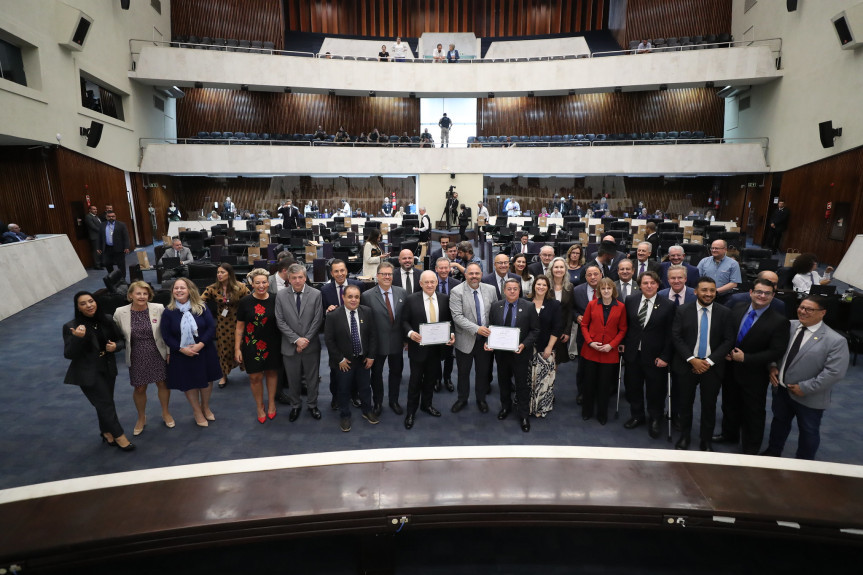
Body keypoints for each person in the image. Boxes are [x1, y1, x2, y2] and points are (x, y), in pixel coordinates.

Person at [762, 295, 850, 460]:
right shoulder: (788, 326)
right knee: (779, 423)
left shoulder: (835, 341)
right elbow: (774, 348)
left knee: (808, 431)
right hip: (781, 390)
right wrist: (772, 365)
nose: (803, 311)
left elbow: (834, 372)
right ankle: (772, 454)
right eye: (801, 307)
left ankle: (805, 464)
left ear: (822, 313)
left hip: (809, 396)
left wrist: (805, 388)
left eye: (809, 309)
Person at [714, 278, 791, 454]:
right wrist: (724, 351)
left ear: (773, 296)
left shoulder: (779, 321)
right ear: (751, 293)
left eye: (767, 293)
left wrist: (746, 358)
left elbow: (776, 352)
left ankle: (751, 446)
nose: (762, 296)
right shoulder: (737, 309)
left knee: (753, 411)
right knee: (729, 404)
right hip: (730, 369)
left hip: (754, 374)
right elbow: (728, 335)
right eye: (758, 292)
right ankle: (729, 434)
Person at [671, 276, 736, 451]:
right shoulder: (683, 310)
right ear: (696, 292)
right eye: (704, 290)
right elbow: (676, 337)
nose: (708, 294)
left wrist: (708, 361)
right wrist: (692, 360)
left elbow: (729, 340)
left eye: (712, 290)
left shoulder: (725, 312)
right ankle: (684, 436)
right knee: (685, 404)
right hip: (687, 365)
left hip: (712, 367)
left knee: (709, 405)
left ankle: (705, 439)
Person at [64, 291, 134, 451]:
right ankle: (119, 436)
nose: (89, 305)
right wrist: (78, 339)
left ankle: (106, 431)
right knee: (106, 404)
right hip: (87, 371)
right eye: (83, 304)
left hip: (107, 367)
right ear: (78, 308)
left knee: (105, 402)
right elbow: (69, 354)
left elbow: (121, 340)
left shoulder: (107, 320)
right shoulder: (71, 327)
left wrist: (116, 347)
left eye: (91, 301)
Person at [113, 281, 173, 436]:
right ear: (130, 295)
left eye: (145, 293)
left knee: (162, 383)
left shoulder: (158, 308)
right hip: (136, 353)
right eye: (138, 293)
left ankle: (165, 413)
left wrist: (169, 352)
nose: (142, 296)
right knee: (140, 387)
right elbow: (115, 335)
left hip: (157, 351)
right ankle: (141, 417)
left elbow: (166, 332)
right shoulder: (120, 312)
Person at [161, 278, 222, 428]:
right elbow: (166, 335)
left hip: (204, 350)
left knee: (207, 380)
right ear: (172, 291)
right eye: (176, 288)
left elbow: (211, 328)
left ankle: (205, 407)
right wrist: (182, 349)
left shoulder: (201, 307)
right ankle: (197, 411)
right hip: (182, 354)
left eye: (182, 288)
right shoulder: (169, 312)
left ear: (190, 290)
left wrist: (200, 345)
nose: (179, 291)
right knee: (190, 383)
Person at [621, 271, 676, 438]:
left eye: (652, 283)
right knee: (633, 387)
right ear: (640, 285)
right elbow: (626, 325)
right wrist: (623, 344)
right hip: (632, 354)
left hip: (655, 357)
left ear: (658, 284)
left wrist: (666, 357)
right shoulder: (631, 300)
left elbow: (671, 334)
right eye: (645, 283)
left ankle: (655, 418)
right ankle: (637, 415)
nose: (649, 286)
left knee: (655, 390)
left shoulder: (668, 305)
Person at [402, 271, 454, 429]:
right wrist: (411, 334)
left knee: (431, 380)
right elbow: (403, 321)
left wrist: (451, 333)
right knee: (415, 382)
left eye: (433, 282)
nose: (430, 285)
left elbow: (450, 321)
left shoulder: (445, 299)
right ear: (420, 283)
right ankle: (411, 412)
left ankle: (427, 404)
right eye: (427, 282)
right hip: (418, 349)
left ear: (437, 282)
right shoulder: (411, 300)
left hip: (437, 349)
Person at [486, 278, 539, 432]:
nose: (512, 291)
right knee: (503, 382)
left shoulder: (529, 306)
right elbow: (491, 327)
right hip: (501, 354)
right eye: (509, 289)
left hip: (521, 353)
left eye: (515, 288)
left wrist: (524, 344)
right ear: (504, 290)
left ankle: (523, 415)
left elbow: (535, 330)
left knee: (522, 384)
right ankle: (505, 407)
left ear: (519, 290)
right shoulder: (496, 306)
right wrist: (489, 341)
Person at [325, 284, 379, 432]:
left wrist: (371, 356)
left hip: (363, 360)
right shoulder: (333, 316)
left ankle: (367, 411)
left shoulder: (367, 312)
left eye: (357, 297)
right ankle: (345, 415)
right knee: (343, 389)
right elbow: (329, 340)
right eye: (350, 297)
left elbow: (373, 336)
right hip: (344, 362)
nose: (353, 300)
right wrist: (340, 359)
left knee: (365, 388)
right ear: (343, 297)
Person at [275, 264, 324, 421]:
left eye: (300, 277)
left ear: (305, 277)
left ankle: (312, 405)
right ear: (289, 279)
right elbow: (280, 320)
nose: (297, 281)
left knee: (312, 378)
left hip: (311, 345)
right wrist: (296, 340)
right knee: (292, 379)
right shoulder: (281, 295)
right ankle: (295, 405)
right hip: (290, 346)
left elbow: (317, 319)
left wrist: (305, 340)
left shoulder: (316, 294)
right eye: (294, 278)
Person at [235, 269, 282, 424]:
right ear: (252, 284)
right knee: (255, 377)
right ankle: (259, 406)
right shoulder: (245, 302)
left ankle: (271, 403)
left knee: (271, 373)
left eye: (264, 282)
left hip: (273, 343)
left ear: (268, 283)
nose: (261, 285)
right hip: (251, 344)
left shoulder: (276, 299)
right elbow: (240, 327)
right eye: (257, 283)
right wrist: (237, 348)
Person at [449, 262, 497, 414]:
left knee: (482, 372)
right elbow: (457, 317)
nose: (474, 276)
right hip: (465, 339)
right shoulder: (457, 291)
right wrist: (477, 329)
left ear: (481, 275)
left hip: (485, 341)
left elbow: (495, 313)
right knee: (463, 372)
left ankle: (481, 399)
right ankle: (462, 398)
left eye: (477, 273)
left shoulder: (491, 289)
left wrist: (492, 334)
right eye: (471, 273)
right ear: (465, 275)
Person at [361, 262, 407, 415]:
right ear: (377, 276)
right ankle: (378, 402)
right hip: (377, 344)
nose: (387, 277)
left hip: (397, 342)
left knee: (396, 373)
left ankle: (394, 401)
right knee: (376, 375)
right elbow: (365, 324)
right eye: (384, 274)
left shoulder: (402, 292)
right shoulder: (367, 296)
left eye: (390, 274)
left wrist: (406, 339)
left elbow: (405, 318)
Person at [580, 277, 627, 424]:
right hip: (591, 350)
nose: (606, 291)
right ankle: (587, 411)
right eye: (603, 288)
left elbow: (623, 329)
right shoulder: (592, 305)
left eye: (609, 288)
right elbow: (584, 325)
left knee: (604, 385)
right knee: (588, 383)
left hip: (609, 352)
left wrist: (612, 345)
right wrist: (590, 342)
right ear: (599, 291)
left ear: (614, 290)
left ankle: (602, 413)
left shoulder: (621, 307)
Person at [320, 259, 361, 409]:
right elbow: (321, 313)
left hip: (356, 335)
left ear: (347, 271)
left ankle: (354, 395)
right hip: (337, 339)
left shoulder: (358, 285)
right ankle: (336, 397)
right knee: (336, 371)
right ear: (331, 273)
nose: (340, 274)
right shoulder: (324, 290)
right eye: (336, 271)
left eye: (342, 270)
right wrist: (327, 311)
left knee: (356, 369)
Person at [202, 263, 250, 389]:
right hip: (223, 325)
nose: (219, 275)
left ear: (229, 274)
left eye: (222, 272)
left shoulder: (240, 287)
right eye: (218, 272)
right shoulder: (212, 288)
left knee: (243, 347)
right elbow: (200, 301)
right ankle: (224, 375)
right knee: (223, 350)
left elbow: (251, 300)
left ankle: (250, 370)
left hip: (239, 321)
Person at [527, 276, 563, 418]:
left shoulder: (554, 304)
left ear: (548, 287)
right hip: (528, 347)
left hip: (545, 347)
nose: (541, 287)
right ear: (534, 285)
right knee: (528, 379)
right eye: (538, 284)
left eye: (544, 285)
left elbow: (557, 327)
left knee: (544, 381)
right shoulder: (526, 301)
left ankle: (541, 407)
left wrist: (549, 347)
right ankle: (528, 406)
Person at [435, 257, 461, 392]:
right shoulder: (431, 283)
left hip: (452, 323)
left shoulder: (457, 284)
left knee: (450, 354)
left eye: (446, 267)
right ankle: (437, 378)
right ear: (436, 269)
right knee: (435, 354)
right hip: (434, 324)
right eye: (441, 268)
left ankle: (447, 378)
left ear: (450, 268)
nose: (444, 270)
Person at [547, 257, 574, 365]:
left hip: (561, 330)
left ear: (565, 269)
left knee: (556, 360)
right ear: (551, 269)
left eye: (561, 267)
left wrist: (567, 331)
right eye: (556, 267)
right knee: (544, 357)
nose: (559, 269)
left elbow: (570, 310)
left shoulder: (569, 287)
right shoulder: (545, 285)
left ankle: (552, 381)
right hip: (546, 328)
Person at [696, 239, 741, 303]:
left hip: (723, 297)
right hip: (704, 296)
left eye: (716, 248)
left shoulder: (733, 264)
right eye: (712, 248)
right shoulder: (704, 261)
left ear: (725, 249)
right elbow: (697, 278)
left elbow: (733, 283)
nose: (713, 250)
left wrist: (715, 291)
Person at [97, 211, 130, 278]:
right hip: (107, 248)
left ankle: (122, 280)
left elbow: (126, 237)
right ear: (106, 217)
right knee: (107, 264)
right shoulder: (102, 225)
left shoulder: (121, 224)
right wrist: (98, 247)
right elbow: (99, 237)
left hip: (119, 248)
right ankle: (112, 278)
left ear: (115, 216)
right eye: (109, 216)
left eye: (113, 216)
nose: (111, 218)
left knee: (121, 265)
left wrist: (126, 247)